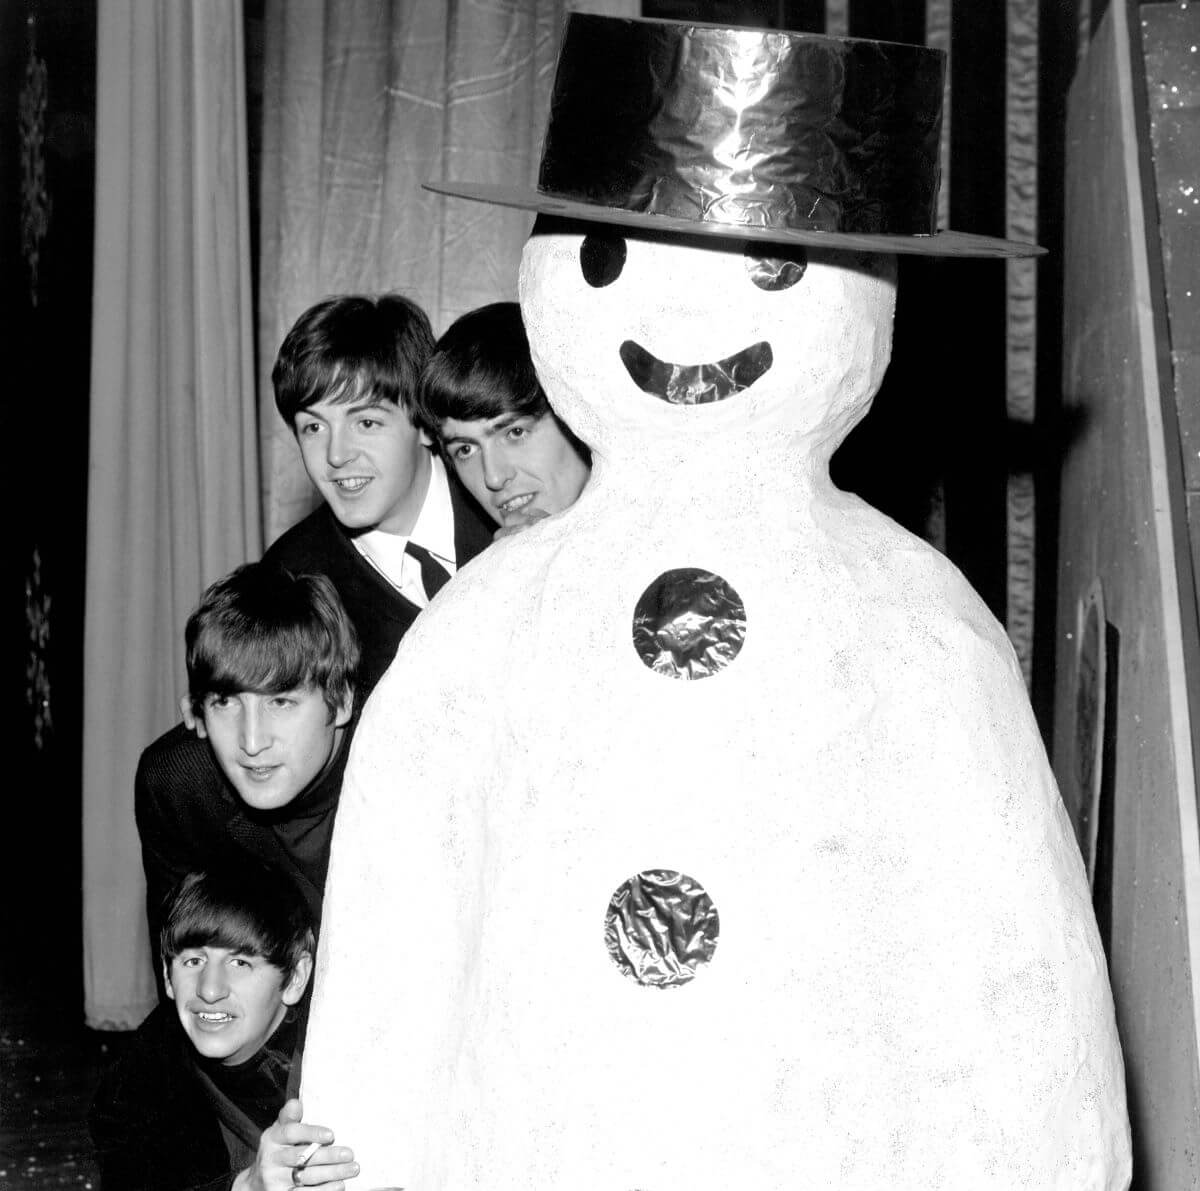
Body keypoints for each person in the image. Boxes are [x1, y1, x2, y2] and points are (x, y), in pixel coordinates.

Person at [136, 561, 359, 988]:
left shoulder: (404, 769)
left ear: (342, 702)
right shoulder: (180, 784)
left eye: (280, 702)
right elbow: (184, 981)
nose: (252, 742)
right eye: (226, 702)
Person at [263, 293, 494, 695]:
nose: (336, 455)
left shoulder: (504, 500)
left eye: (366, 422)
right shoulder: (289, 578)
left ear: (425, 424)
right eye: (314, 428)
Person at [90, 865, 359, 1191]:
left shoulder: (354, 1043)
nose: (210, 990)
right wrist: (246, 1186)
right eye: (193, 961)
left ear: (295, 977)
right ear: (167, 977)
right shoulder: (137, 1084)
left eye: (240, 963)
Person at [414, 301, 591, 539]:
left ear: (575, 419)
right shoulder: (480, 570)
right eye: (465, 449)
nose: (494, 478)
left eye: (515, 433)